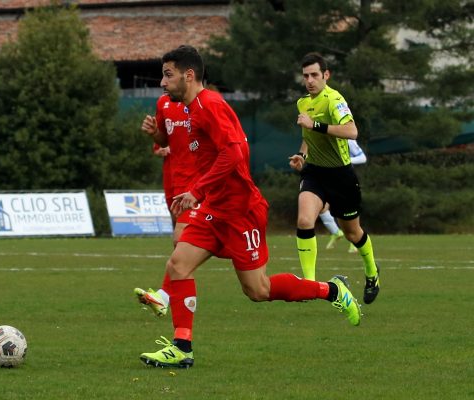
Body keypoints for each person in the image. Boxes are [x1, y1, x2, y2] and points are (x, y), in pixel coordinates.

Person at [138, 45, 361, 369]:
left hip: (241, 210)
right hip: (214, 208)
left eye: (168, 74)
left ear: (188, 75)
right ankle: (182, 346)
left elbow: (236, 152)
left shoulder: (211, 105)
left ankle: (332, 290)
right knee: (178, 264)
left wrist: (196, 190)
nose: (162, 82)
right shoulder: (191, 109)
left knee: (259, 290)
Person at [288, 52, 380, 305]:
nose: (309, 80)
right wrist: (301, 155)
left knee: (352, 233)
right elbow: (308, 137)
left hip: (341, 176)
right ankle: (308, 284)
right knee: (305, 219)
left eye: (315, 75)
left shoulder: (334, 99)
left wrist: (315, 126)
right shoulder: (302, 103)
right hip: (314, 172)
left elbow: (352, 131)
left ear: (326, 75)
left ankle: (372, 271)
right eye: (306, 76)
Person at [134, 95, 196, 317]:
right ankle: (168, 297)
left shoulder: (206, 103)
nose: (162, 81)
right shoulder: (163, 103)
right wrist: (154, 134)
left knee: (182, 239)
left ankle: (165, 296)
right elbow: (163, 140)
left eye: (168, 74)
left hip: (200, 182)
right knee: (184, 242)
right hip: (177, 179)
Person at [320, 139, 367, 252]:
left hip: (345, 180)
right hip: (328, 180)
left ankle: (355, 242)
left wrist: (346, 159)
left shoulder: (347, 139)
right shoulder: (321, 137)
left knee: (349, 215)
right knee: (322, 208)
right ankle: (336, 232)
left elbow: (362, 157)